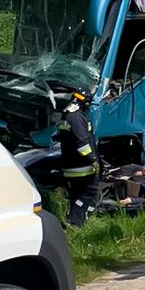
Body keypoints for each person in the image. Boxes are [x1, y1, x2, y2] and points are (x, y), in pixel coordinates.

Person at [57, 89, 100, 228]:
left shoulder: (67, 115)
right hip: (81, 166)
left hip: (69, 165)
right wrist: (93, 160)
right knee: (91, 192)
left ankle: (76, 221)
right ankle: (75, 222)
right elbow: (82, 144)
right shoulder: (76, 117)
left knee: (76, 195)